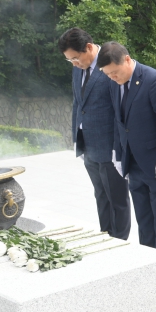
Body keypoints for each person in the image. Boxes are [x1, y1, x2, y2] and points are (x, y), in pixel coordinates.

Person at [97, 41, 156, 252]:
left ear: (127, 59)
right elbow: (118, 120)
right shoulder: (115, 83)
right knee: (144, 218)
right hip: (132, 163)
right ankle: (146, 258)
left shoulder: (154, 80)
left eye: (114, 72)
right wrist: (117, 150)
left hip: (155, 163)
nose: (112, 77)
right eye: (108, 75)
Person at [58, 28, 131, 240]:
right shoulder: (78, 68)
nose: (74, 63)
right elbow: (77, 104)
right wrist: (75, 138)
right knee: (100, 194)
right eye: (69, 60)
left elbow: (121, 109)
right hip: (87, 144)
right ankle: (105, 235)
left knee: (116, 197)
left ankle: (119, 242)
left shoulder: (111, 63)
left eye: (76, 58)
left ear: (89, 47)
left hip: (109, 145)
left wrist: (120, 147)